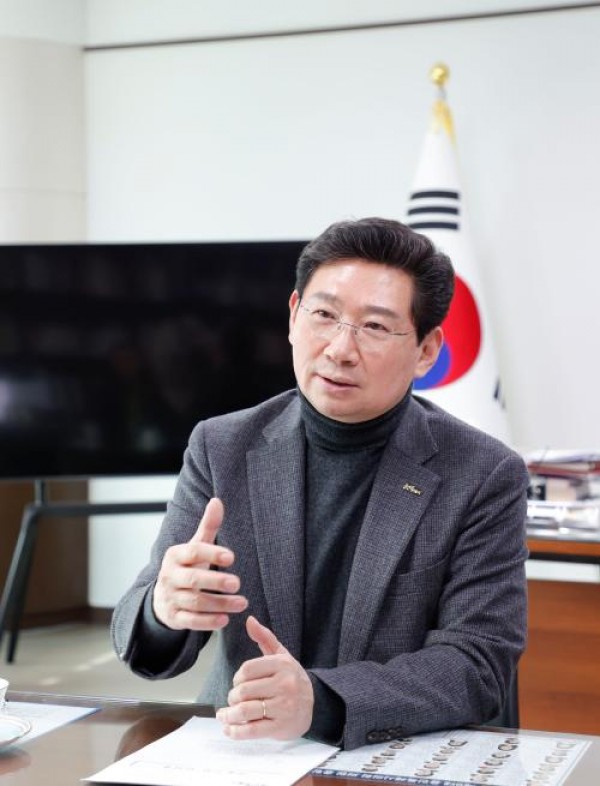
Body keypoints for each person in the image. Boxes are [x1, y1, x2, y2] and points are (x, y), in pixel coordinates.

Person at [111, 217, 528, 751]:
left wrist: (322, 699)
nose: (339, 349)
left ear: (426, 350)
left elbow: (478, 662)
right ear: (293, 316)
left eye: (374, 327)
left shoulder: (483, 473)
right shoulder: (222, 446)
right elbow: (141, 635)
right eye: (324, 315)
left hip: (394, 751)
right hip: (244, 745)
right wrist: (163, 610)